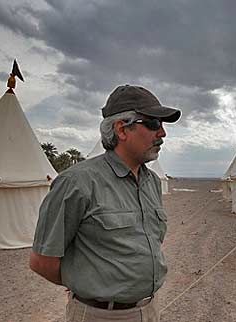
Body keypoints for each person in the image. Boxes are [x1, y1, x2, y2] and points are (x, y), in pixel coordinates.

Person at [29, 85, 181, 321]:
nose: (162, 133)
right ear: (121, 129)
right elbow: (42, 261)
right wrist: (85, 285)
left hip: (149, 310)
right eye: (153, 123)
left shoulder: (151, 181)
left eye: (162, 125)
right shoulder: (77, 183)